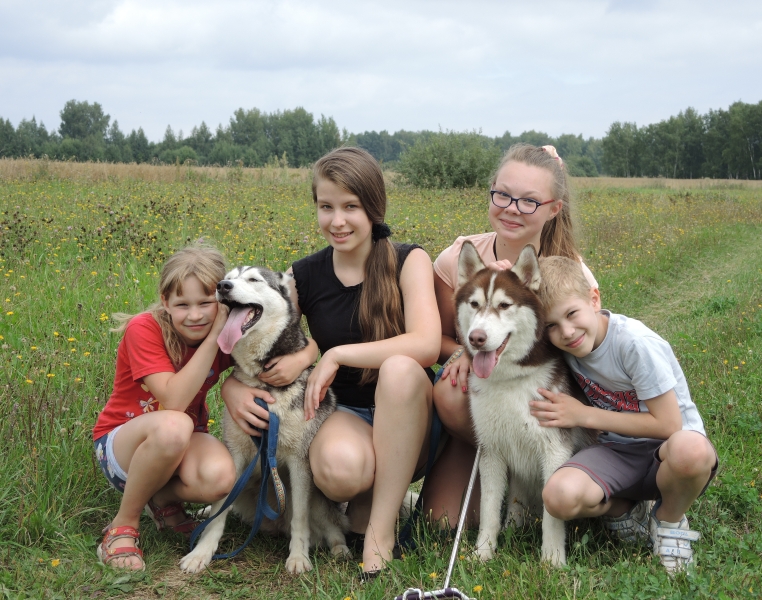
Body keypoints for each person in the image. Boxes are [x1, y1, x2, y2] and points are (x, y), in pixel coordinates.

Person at [221, 147, 440, 577]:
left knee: (398, 367)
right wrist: (232, 386)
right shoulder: (302, 275)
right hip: (347, 415)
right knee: (338, 470)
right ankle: (362, 499)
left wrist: (335, 354)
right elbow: (266, 331)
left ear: (373, 207)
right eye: (326, 207)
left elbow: (427, 344)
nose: (337, 221)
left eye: (351, 207)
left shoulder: (408, 259)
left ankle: (379, 533)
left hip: (413, 416)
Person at [425, 144, 598, 524]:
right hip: (480, 416)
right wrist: (462, 353)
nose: (512, 208)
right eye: (503, 194)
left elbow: (587, 356)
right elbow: (432, 337)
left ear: (555, 208)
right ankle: (503, 470)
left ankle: (530, 482)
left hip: (533, 406)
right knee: (441, 521)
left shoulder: (572, 276)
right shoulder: (458, 258)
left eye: (529, 201)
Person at [532, 255, 718, 575]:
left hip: (670, 451)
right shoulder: (566, 346)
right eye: (551, 325)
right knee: (559, 496)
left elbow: (669, 425)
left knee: (693, 450)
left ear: (594, 299)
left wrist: (583, 415)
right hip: (617, 451)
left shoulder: (634, 343)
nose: (567, 331)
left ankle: (669, 520)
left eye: (572, 314)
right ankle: (626, 512)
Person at [92, 243, 236, 571]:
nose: (196, 315)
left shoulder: (228, 331)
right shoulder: (145, 328)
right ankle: (121, 526)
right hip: (121, 448)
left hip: (179, 444)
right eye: (183, 304)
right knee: (175, 424)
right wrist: (216, 334)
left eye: (206, 302)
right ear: (165, 301)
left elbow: (274, 357)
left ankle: (164, 500)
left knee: (221, 478)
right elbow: (173, 402)